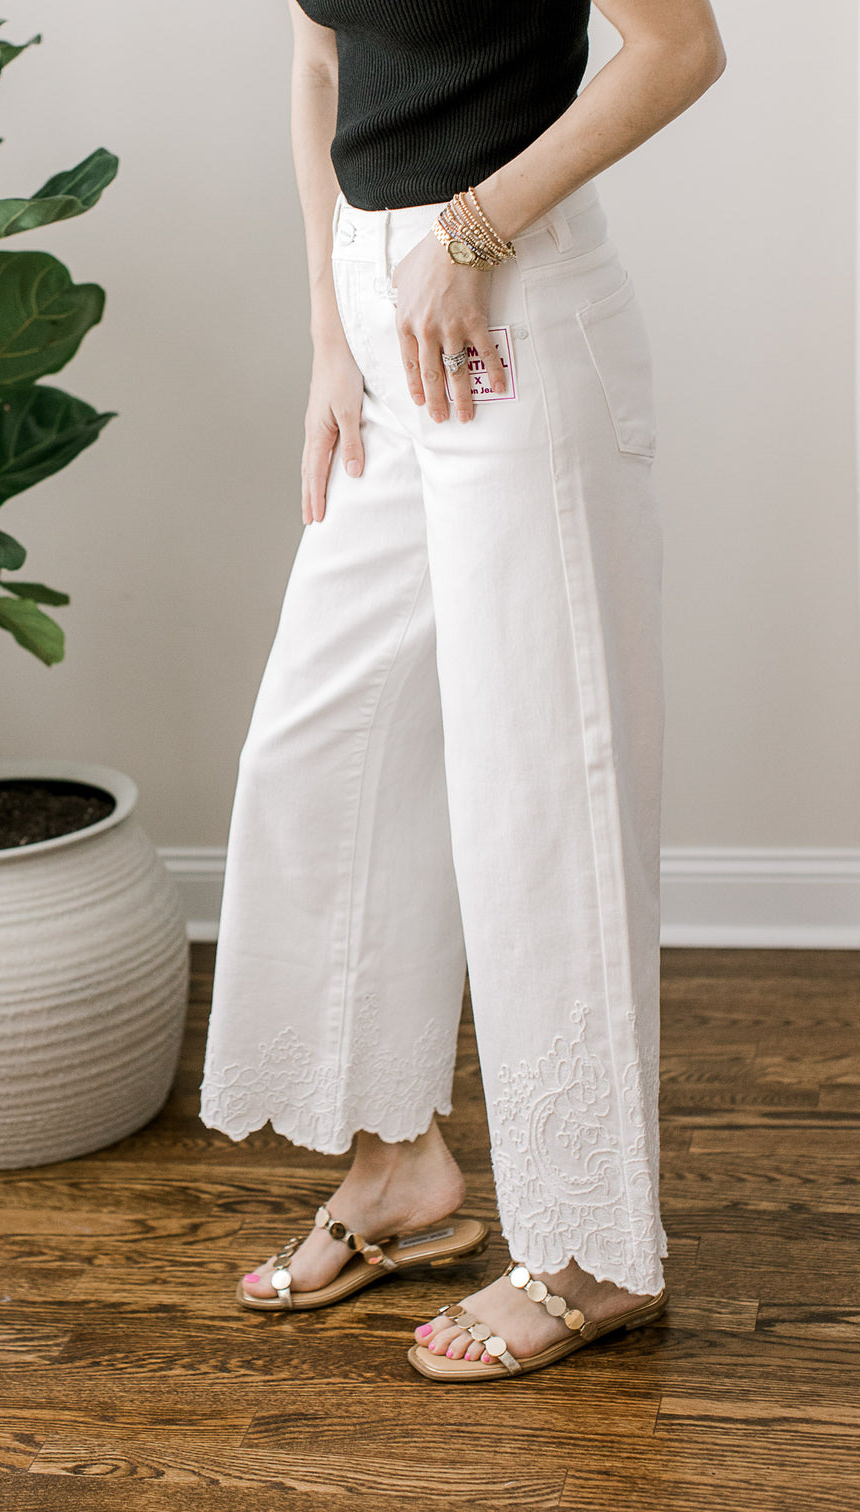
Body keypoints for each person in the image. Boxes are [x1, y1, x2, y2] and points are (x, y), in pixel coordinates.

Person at [200, 0, 725, 1383]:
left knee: (545, 799)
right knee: (319, 751)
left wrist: (472, 234)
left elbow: (682, 46)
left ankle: (597, 1256)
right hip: (386, 327)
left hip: (516, 323)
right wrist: (333, 331)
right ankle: (398, 1172)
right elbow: (320, 55)